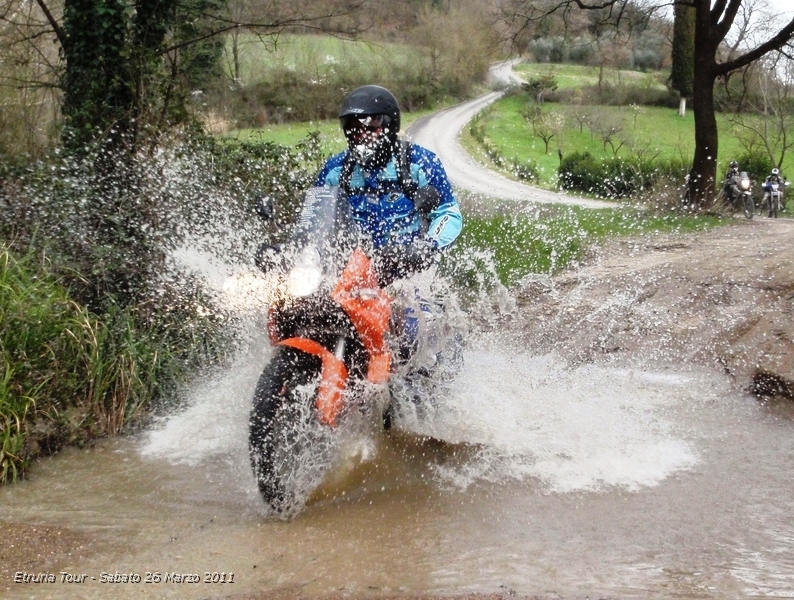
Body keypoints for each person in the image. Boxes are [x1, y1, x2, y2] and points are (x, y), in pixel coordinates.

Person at [315, 85, 463, 286]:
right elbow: (315, 223)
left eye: (371, 129)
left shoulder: (421, 163)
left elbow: (448, 213)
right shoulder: (335, 170)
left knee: (420, 312)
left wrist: (427, 246)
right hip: (351, 274)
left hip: (409, 270)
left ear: (389, 126)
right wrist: (287, 251)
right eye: (355, 131)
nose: (363, 136)